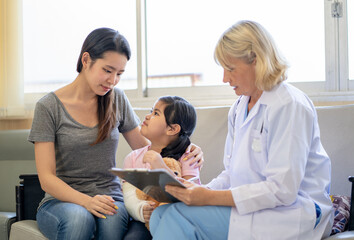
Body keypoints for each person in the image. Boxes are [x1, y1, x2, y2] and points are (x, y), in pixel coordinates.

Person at [149, 20, 334, 240]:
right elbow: (232, 173)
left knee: (175, 216)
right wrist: (199, 190)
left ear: (256, 60)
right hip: (254, 209)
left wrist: (207, 198)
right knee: (160, 214)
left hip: (292, 213)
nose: (225, 79)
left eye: (231, 68)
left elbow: (282, 190)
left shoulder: (289, 105)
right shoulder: (239, 108)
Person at [28, 27, 203, 240]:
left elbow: (147, 148)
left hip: (111, 196)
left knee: (111, 224)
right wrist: (86, 201)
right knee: (79, 219)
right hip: (62, 202)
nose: (112, 81)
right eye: (107, 70)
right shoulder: (48, 107)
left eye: (119, 74)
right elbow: (47, 179)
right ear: (86, 60)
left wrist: (186, 148)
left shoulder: (116, 99)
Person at [122, 96, 200, 231]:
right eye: (151, 111)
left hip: (176, 219)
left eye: (156, 113)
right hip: (143, 221)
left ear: (172, 129)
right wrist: (140, 210)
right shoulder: (133, 158)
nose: (147, 116)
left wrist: (162, 168)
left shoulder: (188, 157)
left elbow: (191, 196)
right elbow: (128, 195)